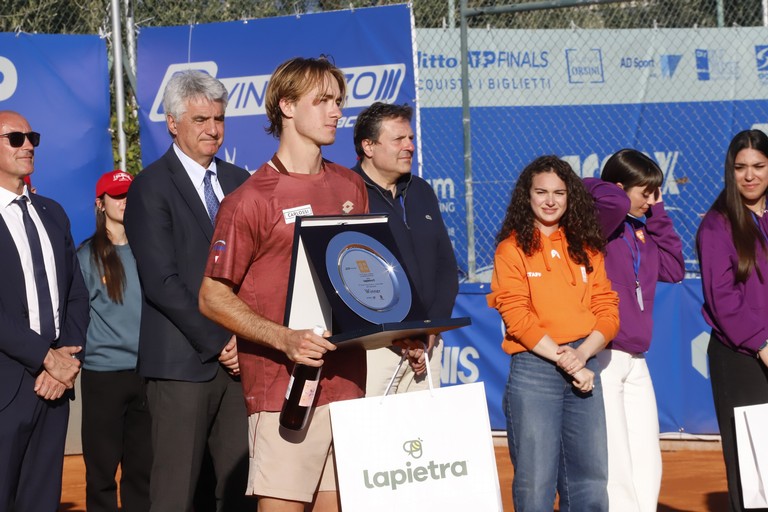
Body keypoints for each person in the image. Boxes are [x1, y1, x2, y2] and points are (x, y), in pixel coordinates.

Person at [198, 56, 368, 512]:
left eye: (338, 101)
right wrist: (285, 339)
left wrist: (399, 330)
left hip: (349, 385)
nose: (336, 111)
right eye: (323, 100)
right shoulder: (250, 199)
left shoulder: (352, 186)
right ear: (287, 106)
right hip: (284, 392)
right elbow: (212, 296)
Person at [123, 71, 252, 511]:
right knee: (176, 494)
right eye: (200, 119)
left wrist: (246, 338)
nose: (212, 129)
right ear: (172, 123)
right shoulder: (150, 186)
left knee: (238, 491)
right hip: (182, 364)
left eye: (218, 118)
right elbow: (162, 282)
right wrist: (222, 341)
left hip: (240, 362)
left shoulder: (239, 180)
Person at [487, 155, 619, 512]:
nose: (550, 201)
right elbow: (517, 318)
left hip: (584, 361)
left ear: (570, 196)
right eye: (541, 192)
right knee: (535, 482)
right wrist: (569, 361)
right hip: (535, 367)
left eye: (559, 193)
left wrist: (582, 355)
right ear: (526, 196)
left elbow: (607, 309)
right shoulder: (511, 249)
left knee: (590, 479)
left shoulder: (587, 245)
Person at [584, 149, 685, 512]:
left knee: (646, 453)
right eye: (646, 192)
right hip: (605, 354)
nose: (651, 200)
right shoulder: (599, 226)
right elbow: (602, 198)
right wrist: (611, 192)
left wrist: (657, 213)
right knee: (617, 458)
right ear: (617, 189)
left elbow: (674, 268)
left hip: (637, 358)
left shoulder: (641, 229)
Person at [0, 110, 89, 510]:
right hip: (7, 385)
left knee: (41, 501)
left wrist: (65, 358)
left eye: (31, 137)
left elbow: (76, 293)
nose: (29, 146)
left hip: (54, 385)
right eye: (15, 138)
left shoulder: (52, 212)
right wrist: (45, 358)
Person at [350, 102, 458, 393]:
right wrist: (397, 336)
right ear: (369, 146)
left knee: (425, 424)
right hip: (373, 350)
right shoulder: (347, 194)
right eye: (398, 139)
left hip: (427, 347)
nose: (409, 146)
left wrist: (431, 329)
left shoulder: (421, 190)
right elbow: (350, 278)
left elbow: (446, 267)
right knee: (368, 424)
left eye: (410, 138)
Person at [697, 129, 768, 512]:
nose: (750, 175)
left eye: (759, 165)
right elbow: (722, 298)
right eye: (741, 167)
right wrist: (762, 344)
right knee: (754, 465)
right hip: (741, 356)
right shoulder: (717, 225)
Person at [77, 170, 152, 512]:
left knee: (141, 472)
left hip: (146, 373)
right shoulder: (86, 257)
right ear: (100, 203)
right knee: (101, 472)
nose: (125, 202)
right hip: (104, 376)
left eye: (129, 195)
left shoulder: (149, 249)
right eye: (117, 195)